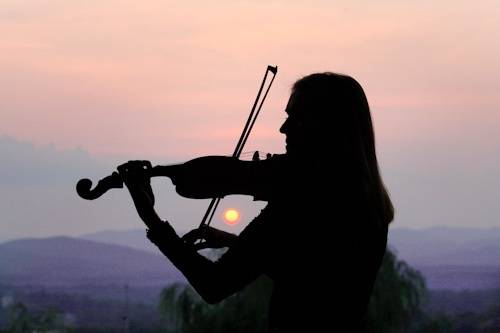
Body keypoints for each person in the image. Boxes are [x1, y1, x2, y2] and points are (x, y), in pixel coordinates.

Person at [117, 72, 394, 332]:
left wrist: (150, 217)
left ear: (329, 128)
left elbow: (214, 285)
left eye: (297, 119)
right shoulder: (366, 205)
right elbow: (310, 277)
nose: (283, 128)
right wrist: (235, 242)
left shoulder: (295, 202)